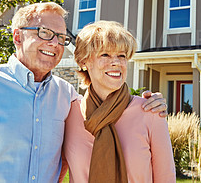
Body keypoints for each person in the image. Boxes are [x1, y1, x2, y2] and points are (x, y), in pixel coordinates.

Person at [0, 2, 167, 182]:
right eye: (44, 33)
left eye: (61, 38)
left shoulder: (66, 97)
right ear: (17, 37)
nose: (54, 44)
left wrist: (155, 101)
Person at [60, 21, 176, 183]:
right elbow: (56, 171)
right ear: (84, 62)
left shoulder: (150, 111)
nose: (116, 63)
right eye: (105, 55)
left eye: (122, 56)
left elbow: (166, 178)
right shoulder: (69, 112)